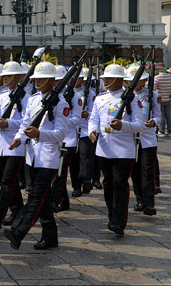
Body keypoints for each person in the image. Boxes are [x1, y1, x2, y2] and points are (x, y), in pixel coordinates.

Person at [3, 61, 69, 251]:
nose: (38, 82)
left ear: (52, 81)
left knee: (36, 196)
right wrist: (19, 138)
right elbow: (25, 123)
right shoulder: (32, 100)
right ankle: (50, 237)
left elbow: (60, 134)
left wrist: (39, 134)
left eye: (42, 79)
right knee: (44, 199)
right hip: (33, 155)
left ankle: (18, 231)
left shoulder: (61, 103)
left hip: (48, 156)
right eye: (36, 79)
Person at [88, 63, 144, 236]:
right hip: (104, 148)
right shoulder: (100, 98)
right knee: (108, 184)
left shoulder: (132, 99)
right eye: (105, 78)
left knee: (120, 184)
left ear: (120, 80)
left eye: (110, 78)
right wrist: (92, 130)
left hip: (123, 149)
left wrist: (123, 125)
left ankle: (119, 221)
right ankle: (112, 216)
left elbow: (139, 124)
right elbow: (93, 118)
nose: (106, 81)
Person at [0, 60, 29, 229]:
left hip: (16, 143)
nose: (4, 79)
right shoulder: (1, 96)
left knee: (8, 180)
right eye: (4, 75)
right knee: (7, 179)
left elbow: (27, 121)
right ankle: (17, 210)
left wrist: (8, 123)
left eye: (9, 76)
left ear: (18, 77)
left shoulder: (26, 98)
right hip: (1, 142)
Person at [126, 64, 160, 216]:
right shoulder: (127, 95)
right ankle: (139, 199)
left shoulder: (152, 95)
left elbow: (158, 114)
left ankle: (149, 202)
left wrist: (154, 122)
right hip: (132, 138)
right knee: (135, 170)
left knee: (148, 171)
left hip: (148, 138)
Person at [50, 65, 82, 212]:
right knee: (57, 172)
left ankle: (55, 201)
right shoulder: (50, 95)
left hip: (68, 139)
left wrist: (61, 121)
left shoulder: (74, 96)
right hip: (53, 139)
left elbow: (76, 118)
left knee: (61, 172)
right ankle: (64, 201)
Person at [75, 66, 98, 195]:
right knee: (74, 161)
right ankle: (76, 186)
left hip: (84, 128)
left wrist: (87, 114)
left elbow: (94, 112)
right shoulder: (67, 92)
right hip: (72, 129)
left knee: (85, 155)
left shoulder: (90, 93)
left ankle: (86, 179)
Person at [155, 66, 171, 137]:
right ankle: (170, 131)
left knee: (161, 115)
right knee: (168, 115)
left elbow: (154, 88)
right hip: (168, 98)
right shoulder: (170, 77)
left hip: (160, 98)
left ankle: (162, 131)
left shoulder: (157, 78)